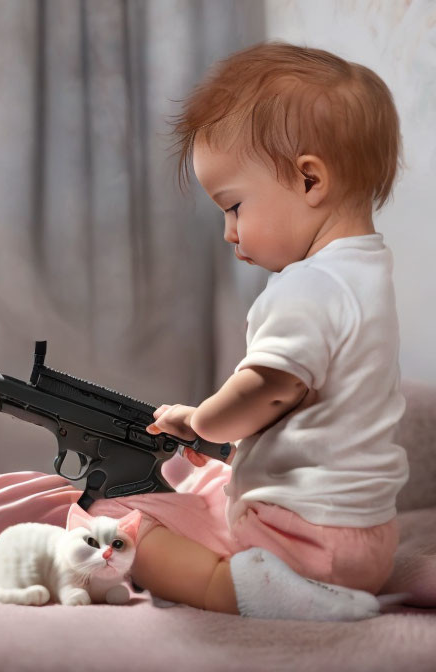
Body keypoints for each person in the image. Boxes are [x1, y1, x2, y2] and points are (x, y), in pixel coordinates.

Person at [116, 41, 407, 621]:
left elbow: (269, 390)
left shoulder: (309, 286)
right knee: (205, 492)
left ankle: (263, 592)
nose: (229, 233)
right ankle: (310, 584)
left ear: (308, 181)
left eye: (233, 207)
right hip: (367, 533)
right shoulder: (368, 269)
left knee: (129, 539)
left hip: (305, 535)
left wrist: (202, 421)